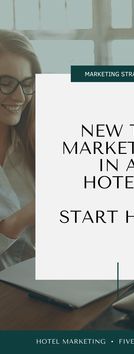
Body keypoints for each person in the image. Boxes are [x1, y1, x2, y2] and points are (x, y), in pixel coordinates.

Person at [0, 29, 41, 270]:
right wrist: (18, 221)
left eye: (27, 84)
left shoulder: (27, 141)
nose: (19, 96)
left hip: (38, 289)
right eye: (5, 83)